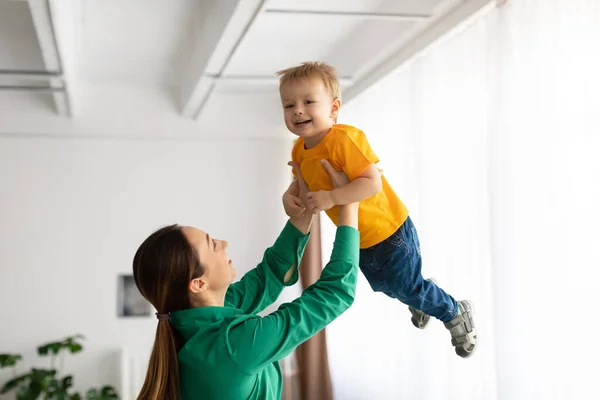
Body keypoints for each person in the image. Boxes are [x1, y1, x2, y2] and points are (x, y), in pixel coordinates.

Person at [277, 61, 478, 358]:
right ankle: (421, 294)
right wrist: (288, 197)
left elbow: (371, 183)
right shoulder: (298, 149)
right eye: (288, 104)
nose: (297, 110)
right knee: (387, 286)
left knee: (404, 284)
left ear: (333, 108)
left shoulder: (343, 139)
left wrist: (332, 197)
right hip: (360, 238)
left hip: (388, 228)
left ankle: (454, 311)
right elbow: (300, 181)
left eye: (308, 102)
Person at [132, 165, 358, 400]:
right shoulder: (234, 345)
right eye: (213, 245)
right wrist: (349, 205)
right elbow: (334, 293)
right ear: (198, 284)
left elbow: (268, 277)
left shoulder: (196, 322)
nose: (224, 243)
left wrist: (303, 208)